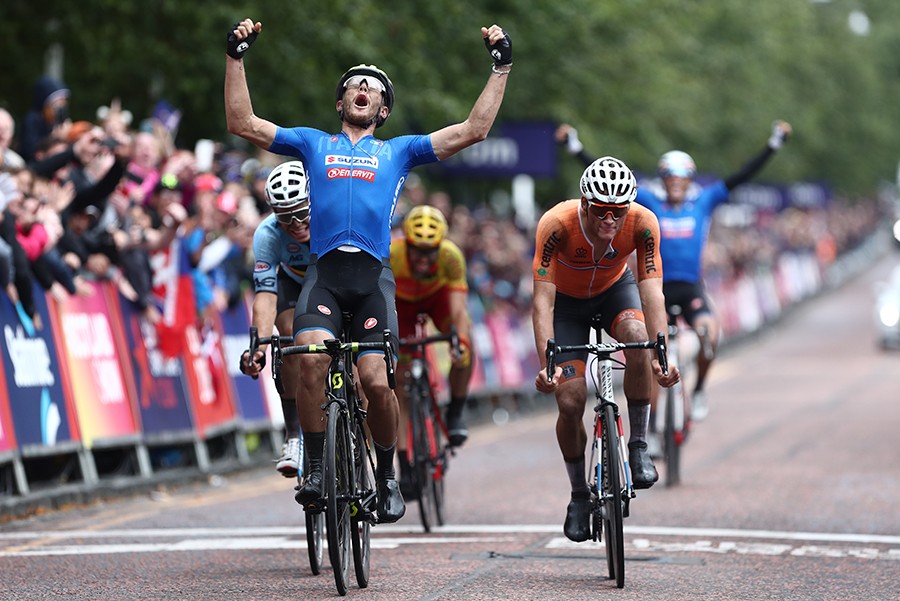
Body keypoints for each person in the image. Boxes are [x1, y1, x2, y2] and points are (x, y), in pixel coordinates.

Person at [224, 18, 512, 523]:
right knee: (310, 359)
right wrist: (235, 57)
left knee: (376, 382)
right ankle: (315, 464)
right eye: (354, 85)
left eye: (374, 89)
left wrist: (501, 67)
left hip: (373, 279)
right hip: (325, 275)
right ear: (341, 104)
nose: (363, 89)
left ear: (383, 110)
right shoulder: (313, 144)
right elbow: (242, 122)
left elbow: (474, 130)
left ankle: (385, 476)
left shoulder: (398, 151)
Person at [556, 120, 793, 422]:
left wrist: (773, 144)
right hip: (657, 288)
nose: (675, 182)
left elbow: (742, 176)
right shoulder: (650, 199)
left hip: (691, 285)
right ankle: (652, 425)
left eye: (681, 177)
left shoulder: (704, 200)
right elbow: (609, 181)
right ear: (663, 179)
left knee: (710, 335)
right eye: (669, 176)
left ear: (690, 179)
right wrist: (575, 147)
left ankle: (699, 390)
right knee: (656, 354)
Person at [532, 156, 680, 543]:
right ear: (584, 203)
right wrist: (547, 361)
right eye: (601, 211)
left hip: (616, 290)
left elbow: (652, 292)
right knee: (570, 401)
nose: (610, 220)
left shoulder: (643, 222)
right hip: (566, 304)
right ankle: (579, 495)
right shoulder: (556, 225)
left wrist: (660, 354)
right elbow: (542, 301)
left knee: (636, 334)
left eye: (618, 211)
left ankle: (638, 445)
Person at [389, 205, 473, 496]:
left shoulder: (451, 256)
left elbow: (458, 309)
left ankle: (457, 411)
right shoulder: (392, 254)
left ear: (440, 247)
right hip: (403, 304)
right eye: (418, 251)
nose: (424, 258)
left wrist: (459, 341)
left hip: (438, 299)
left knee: (466, 342)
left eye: (430, 251)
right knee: (398, 382)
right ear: (407, 244)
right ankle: (405, 463)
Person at [240, 161, 313, 480]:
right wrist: (258, 345)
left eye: (301, 212)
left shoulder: (334, 217)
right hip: (293, 284)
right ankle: (295, 437)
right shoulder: (267, 234)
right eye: (285, 216)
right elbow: (265, 296)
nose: (296, 223)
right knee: (287, 339)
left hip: (335, 280)